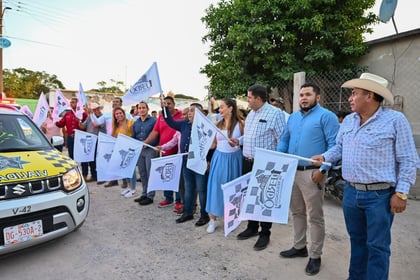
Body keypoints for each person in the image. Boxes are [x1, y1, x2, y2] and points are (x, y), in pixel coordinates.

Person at [312, 73, 419, 280]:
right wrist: (324, 157)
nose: (350, 98)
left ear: (370, 95)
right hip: (351, 193)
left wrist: (402, 193)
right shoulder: (349, 121)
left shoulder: (395, 120)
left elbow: (408, 159)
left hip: (379, 197)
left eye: (354, 93)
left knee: (377, 246)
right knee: (357, 241)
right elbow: (339, 148)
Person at [277, 83, 340, 276]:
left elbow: (334, 145)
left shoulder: (327, 117)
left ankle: (315, 256)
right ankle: (299, 247)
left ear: (318, 97)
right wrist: (280, 156)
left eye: (308, 94)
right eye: (301, 95)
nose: (303, 98)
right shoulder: (293, 117)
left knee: (315, 216)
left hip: (312, 173)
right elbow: (285, 139)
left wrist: (323, 169)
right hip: (292, 171)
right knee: (297, 212)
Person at [232, 84, 285, 250]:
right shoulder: (251, 115)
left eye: (249, 97)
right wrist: (238, 141)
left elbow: (281, 139)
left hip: (265, 164)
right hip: (247, 161)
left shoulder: (275, 113)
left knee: (263, 199)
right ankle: (252, 227)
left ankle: (265, 233)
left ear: (258, 98)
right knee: (249, 196)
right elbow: (248, 137)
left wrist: (276, 164)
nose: (247, 100)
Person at [161, 101, 210, 227]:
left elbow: (211, 145)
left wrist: (208, 160)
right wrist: (165, 108)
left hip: (200, 162)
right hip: (186, 161)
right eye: (189, 110)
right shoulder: (184, 125)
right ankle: (188, 212)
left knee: (201, 189)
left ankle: (204, 216)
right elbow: (170, 122)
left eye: (192, 110)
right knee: (188, 188)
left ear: (200, 113)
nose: (189, 113)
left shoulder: (206, 126)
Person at [205, 98, 244, 233]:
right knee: (215, 187)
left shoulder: (241, 124)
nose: (219, 110)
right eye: (219, 108)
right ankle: (213, 220)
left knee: (233, 189)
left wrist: (238, 141)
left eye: (222, 107)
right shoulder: (217, 124)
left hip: (234, 159)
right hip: (219, 158)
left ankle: (232, 217)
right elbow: (213, 144)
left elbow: (246, 140)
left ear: (230, 108)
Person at [143, 96, 183, 208]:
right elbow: (155, 132)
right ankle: (168, 198)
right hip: (165, 151)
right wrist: (145, 142)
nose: (167, 106)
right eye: (165, 104)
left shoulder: (181, 116)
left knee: (178, 178)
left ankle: (179, 200)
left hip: (178, 152)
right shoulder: (161, 117)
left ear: (174, 104)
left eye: (169, 103)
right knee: (166, 176)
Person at [132, 101, 158, 205]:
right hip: (139, 151)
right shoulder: (136, 123)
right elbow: (134, 136)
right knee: (142, 173)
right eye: (140, 108)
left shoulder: (153, 121)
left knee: (150, 172)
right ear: (137, 110)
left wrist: (151, 144)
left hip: (150, 150)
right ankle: (144, 193)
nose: (142, 110)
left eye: (144, 108)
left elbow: (156, 134)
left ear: (147, 109)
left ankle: (150, 196)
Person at [111, 107, 136, 197]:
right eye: (117, 114)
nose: (119, 115)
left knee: (131, 170)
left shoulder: (131, 122)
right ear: (115, 116)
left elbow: (135, 135)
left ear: (124, 113)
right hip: (122, 151)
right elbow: (114, 138)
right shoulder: (115, 126)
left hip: (130, 150)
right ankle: (129, 187)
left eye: (120, 113)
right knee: (124, 169)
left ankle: (133, 189)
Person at [79, 103, 106, 182]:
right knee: (88, 159)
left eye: (97, 109)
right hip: (90, 141)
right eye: (94, 109)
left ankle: (97, 176)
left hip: (98, 141)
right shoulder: (89, 117)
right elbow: (83, 126)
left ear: (99, 109)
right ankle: (89, 175)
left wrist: (90, 114)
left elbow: (96, 125)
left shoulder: (102, 117)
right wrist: (79, 122)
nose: (95, 111)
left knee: (95, 160)